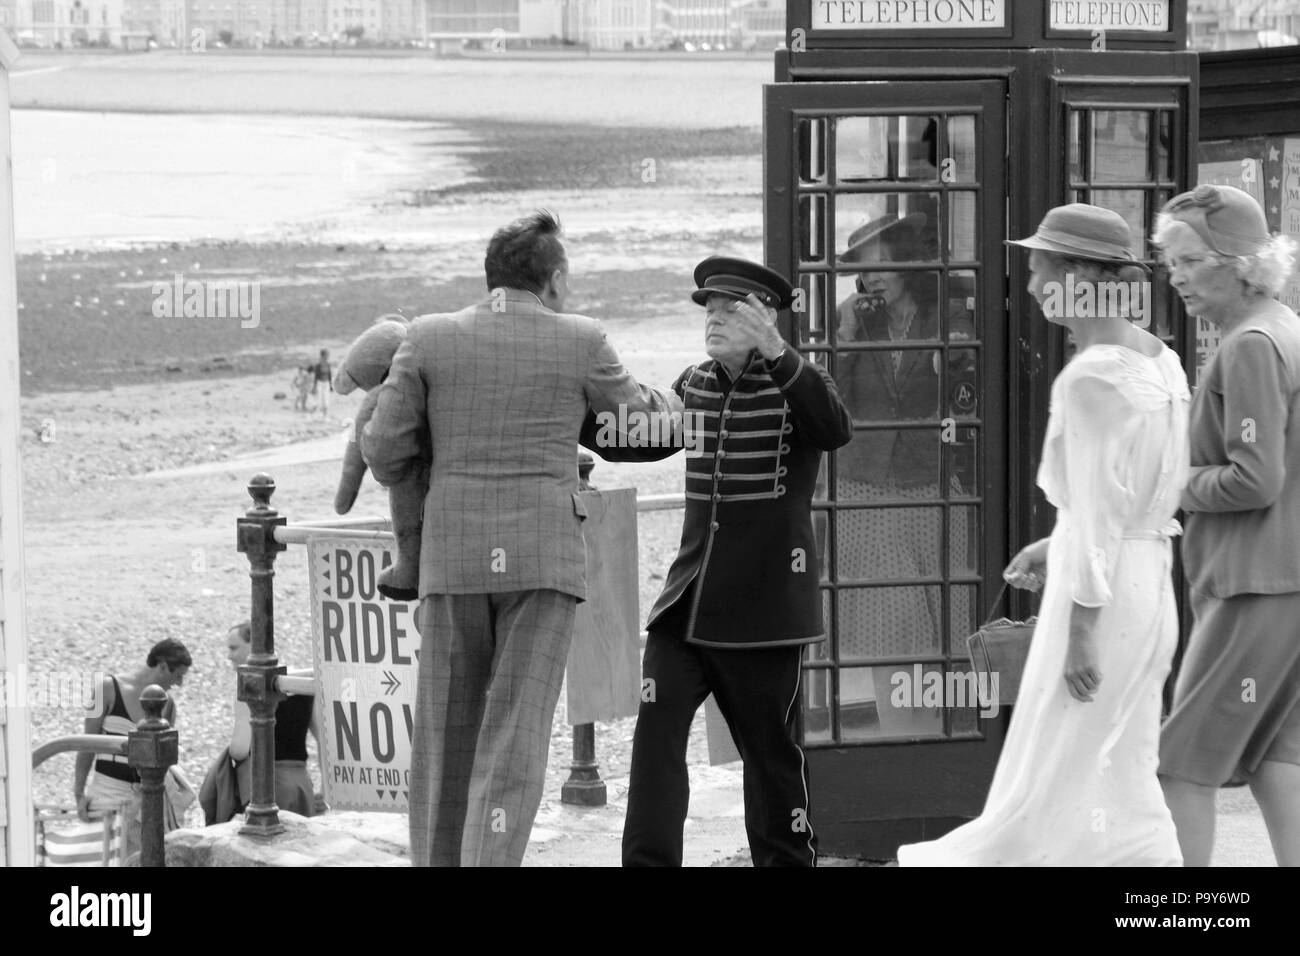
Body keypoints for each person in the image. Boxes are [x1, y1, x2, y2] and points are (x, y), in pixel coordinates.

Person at [362, 209, 679, 867]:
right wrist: (687, 405)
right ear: (555, 280)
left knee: (445, 735)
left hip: (451, 560)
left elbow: (385, 449)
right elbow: (647, 430)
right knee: (515, 736)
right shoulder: (581, 338)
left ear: (490, 278)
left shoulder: (427, 338)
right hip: (542, 562)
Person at [898, 203, 1190, 866]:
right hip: (1151, 587)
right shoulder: (1162, 361)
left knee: (1050, 776)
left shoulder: (1088, 377)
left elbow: (1095, 513)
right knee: (1124, 772)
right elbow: (1138, 500)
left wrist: (1082, 629)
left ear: (1081, 274)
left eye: (1039, 267)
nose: (1029, 285)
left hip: (1102, 598)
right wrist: (1055, 546)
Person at [598, 256, 852, 867]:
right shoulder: (695, 382)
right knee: (655, 741)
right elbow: (638, 439)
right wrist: (573, 409)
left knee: (770, 754)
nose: (711, 320)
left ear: (763, 317)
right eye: (706, 310)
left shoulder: (798, 383)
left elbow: (835, 427)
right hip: (685, 608)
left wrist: (777, 350)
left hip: (765, 613)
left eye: (726, 311)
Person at [1154, 184, 1300, 867]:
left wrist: (1172, 484)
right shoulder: (1285, 328)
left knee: (1181, 765)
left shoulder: (1248, 347)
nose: (1174, 275)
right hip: (1282, 582)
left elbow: (1254, 477)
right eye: (1169, 261)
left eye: (1187, 260)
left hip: (1250, 585)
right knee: (1277, 755)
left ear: (1239, 263)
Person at [834, 212, 977, 737]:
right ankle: (901, 736)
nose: (873, 279)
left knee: (939, 621)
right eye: (864, 271)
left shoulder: (946, 314)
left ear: (906, 265)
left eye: (882, 267)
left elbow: (964, 376)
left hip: (929, 479)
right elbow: (832, 402)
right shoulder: (851, 316)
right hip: (865, 485)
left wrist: (952, 359)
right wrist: (846, 333)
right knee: (883, 626)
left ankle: (934, 735)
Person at [73, 638, 193, 862]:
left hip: (144, 800)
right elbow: (85, 744)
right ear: (162, 666)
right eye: (177, 675)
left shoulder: (167, 705)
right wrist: (78, 793)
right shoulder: (106, 689)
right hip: (106, 793)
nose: (179, 684)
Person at [223, 621, 321, 819]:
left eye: (234, 648)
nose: (229, 655)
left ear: (255, 645)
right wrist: (325, 790)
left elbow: (239, 749)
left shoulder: (251, 684)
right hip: (301, 782)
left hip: (268, 785)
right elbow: (325, 740)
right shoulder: (302, 681)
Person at [312, 349, 333, 416]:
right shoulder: (318, 365)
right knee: (318, 401)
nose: (328, 356)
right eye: (327, 355)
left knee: (326, 401)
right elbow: (316, 377)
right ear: (323, 355)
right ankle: (311, 415)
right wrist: (314, 387)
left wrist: (331, 386)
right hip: (319, 384)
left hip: (326, 384)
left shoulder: (328, 364)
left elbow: (329, 375)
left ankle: (325, 416)